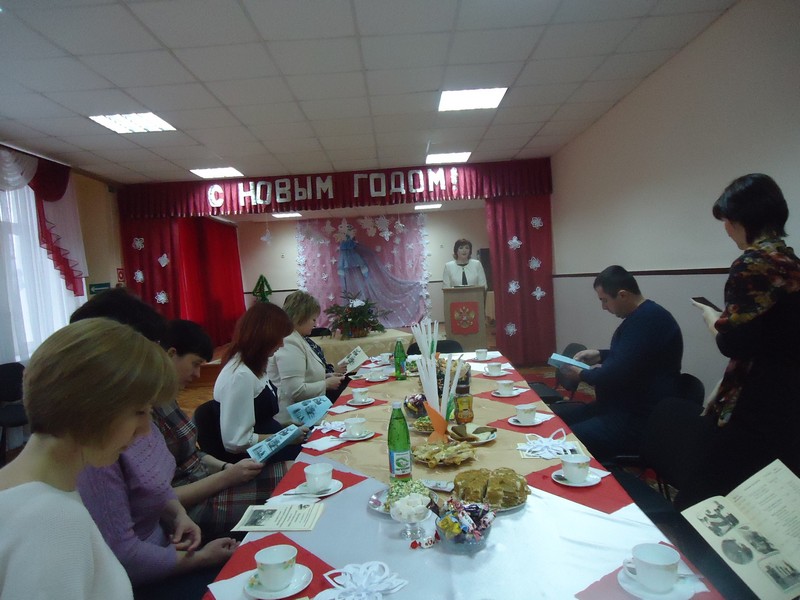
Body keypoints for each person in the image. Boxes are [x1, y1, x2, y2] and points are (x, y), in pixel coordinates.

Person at [71, 291, 239, 596]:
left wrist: (177, 515)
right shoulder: (96, 443)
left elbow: (156, 487)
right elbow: (125, 557)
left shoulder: (138, 408)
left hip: (171, 546)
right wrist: (201, 558)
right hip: (150, 577)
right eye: (155, 351)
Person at [0, 318, 177, 600]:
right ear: (92, 407)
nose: (145, 430)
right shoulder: (52, 519)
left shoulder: (29, 489)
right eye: (139, 412)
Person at [674, 174, 800, 509]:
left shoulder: (751, 263)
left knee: (703, 503)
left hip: (757, 404)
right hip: (789, 402)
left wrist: (711, 318)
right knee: (767, 500)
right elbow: (770, 338)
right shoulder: (791, 263)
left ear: (746, 219)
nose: (727, 230)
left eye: (728, 221)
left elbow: (733, 344)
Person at [155, 319, 290, 540]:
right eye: (195, 364)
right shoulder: (146, 415)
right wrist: (227, 476)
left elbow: (192, 455)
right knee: (293, 495)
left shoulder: (166, 399)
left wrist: (226, 468)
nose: (198, 375)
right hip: (192, 507)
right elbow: (161, 499)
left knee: (297, 472)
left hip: (209, 481)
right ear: (171, 354)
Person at [552, 265, 683, 460]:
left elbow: (617, 373)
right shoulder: (644, 316)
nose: (604, 307)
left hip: (636, 418)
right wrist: (600, 355)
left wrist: (582, 374)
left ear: (622, 295)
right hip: (616, 407)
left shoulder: (649, 320)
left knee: (563, 441)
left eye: (605, 300)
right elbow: (633, 357)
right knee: (555, 423)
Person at [215, 302, 304, 457]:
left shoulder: (254, 365)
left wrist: (286, 427)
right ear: (264, 337)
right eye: (279, 338)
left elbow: (260, 419)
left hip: (271, 445)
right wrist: (285, 438)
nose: (282, 344)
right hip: (256, 457)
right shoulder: (240, 376)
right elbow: (237, 441)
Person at [268, 291, 347, 421]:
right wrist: (326, 384)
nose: (315, 324)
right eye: (313, 319)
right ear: (301, 317)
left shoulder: (298, 337)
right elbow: (295, 391)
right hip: (297, 417)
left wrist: (326, 376)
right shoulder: (290, 341)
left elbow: (305, 375)